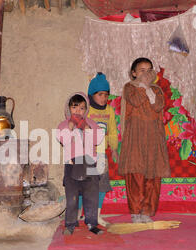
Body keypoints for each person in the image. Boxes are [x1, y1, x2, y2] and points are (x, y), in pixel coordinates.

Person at [119, 58, 171, 223]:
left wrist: (149, 89)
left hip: (153, 138)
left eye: (149, 70)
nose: (145, 73)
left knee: (152, 176)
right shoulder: (129, 88)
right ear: (133, 73)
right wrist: (142, 87)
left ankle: (147, 212)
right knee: (136, 174)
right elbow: (135, 101)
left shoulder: (156, 90)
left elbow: (157, 107)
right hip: (135, 136)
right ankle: (135, 212)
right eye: (141, 70)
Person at [56, 92, 105, 235]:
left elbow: (98, 140)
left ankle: (92, 223)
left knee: (92, 196)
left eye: (82, 108)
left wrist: (86, 128)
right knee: (72, 197)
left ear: (86, 110)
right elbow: (63, 139)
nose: (78, 111)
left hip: (90, 164)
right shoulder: (64, 125)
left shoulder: (91, 124)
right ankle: (70, 224)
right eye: (74, 107)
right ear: (68, 109)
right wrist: (70, 126)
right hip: (72, 165)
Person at [78, 72, 118, 226]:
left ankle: (97, 215)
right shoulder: (87, 111)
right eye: (100, 94)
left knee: (100, 185)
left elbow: (113, 131)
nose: (104, 98)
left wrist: (113, 148)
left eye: (106, 95)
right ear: (91, 94)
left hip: (101, 154)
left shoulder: (109, 111)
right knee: (83, 184)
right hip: (85, 154)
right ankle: (80, 214)